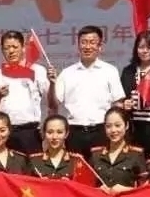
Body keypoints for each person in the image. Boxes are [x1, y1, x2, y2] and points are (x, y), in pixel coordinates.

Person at [54, 25, 127, 159]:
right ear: (78, 45)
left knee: (101, 168)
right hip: (74, 132)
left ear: (100, 47)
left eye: (92, 42)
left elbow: (118, 103)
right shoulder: (67, 73)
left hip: (101, 131)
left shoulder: (110, 71)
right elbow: (54, 103)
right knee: (76, 169)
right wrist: (53, 83)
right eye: (84, 42)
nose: (87, 47)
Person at [0, 30, 54, 154]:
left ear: (23, 48)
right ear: (2, 50)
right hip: (4, 133)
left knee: (32, 166)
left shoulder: (38, 71)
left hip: (30, 132)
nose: (11, 51)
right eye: (7, 48)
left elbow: (53, 103)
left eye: (14, 47)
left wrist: (53, 83)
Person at [88, 108, 147, 192]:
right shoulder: (96, 155)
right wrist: (97, 190)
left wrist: (125, 190)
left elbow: (145, 189)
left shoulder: (136, 155)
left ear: (126, 125)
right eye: (108, 126)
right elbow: (86, 186)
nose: (113, 130)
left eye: (117, 125)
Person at [28, 115, 81, 179]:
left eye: (59, 132)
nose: (54, 137)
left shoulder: (76, 162)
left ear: (66, 134)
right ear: (44, 133)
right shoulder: (34, 162)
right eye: (50, 132)